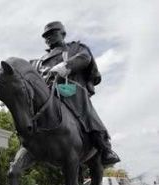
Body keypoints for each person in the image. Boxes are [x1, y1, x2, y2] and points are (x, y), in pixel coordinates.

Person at [33, 21, 120, 166]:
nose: (48, 38)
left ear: (63, 34)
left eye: (52, 34)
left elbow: (85, 58)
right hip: (47, 95)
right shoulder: (39, 61)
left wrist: (65, 66)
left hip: (70, 91)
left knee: (85, 109)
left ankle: (104, 147)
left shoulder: (76, 48)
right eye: (46, 36)